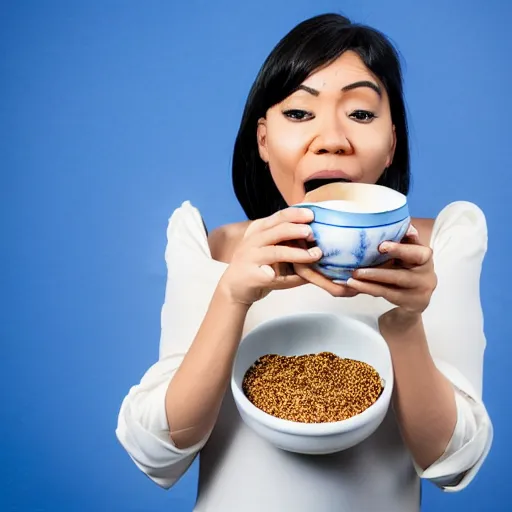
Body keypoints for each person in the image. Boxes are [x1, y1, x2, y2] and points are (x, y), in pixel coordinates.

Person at [116, 13, 493, 511]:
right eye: (299, 113)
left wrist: (405, 321)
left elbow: (451, 462)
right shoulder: (212, 250)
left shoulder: (434, 249)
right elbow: (157, 452)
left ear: (391, 146)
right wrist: (230, 296)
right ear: (264, 140)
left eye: (361, 113)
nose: (332, 137)